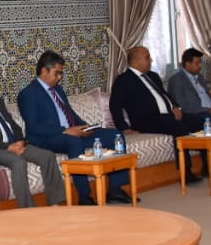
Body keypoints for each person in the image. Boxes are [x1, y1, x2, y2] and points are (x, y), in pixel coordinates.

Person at [16, 50, 133, 204]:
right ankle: (84, 197)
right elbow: (34, 127)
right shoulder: (28, 94)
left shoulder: (58, 90)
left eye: (61, 73)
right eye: (57, 73)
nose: (59, 77)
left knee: (115, 135)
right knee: (74, 142)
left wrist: (84, 126)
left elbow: (69, 113)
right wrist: (65, 131)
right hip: (47, 139)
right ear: (44, 71)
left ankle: (115, 189)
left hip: (71, 133)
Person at [0, 65, 66, 207]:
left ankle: (55, 203)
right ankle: (28, 210)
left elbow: (11, 123)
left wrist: (20, 140)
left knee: (47, 156)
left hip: (12, 144)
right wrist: (8, 147)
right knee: (18, 162)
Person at [109, 46, 206, 182]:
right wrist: (124, 128)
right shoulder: (123, 80)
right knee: (179, 127)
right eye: (147, 57)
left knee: (201, 122)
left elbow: (165, 95)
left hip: (167, 116)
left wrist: (175, 106)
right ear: (135, 62)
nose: (151, 60)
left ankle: (208, 166)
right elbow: (115, 106)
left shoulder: (153, 76)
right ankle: (186, 171)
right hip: (146, 121)